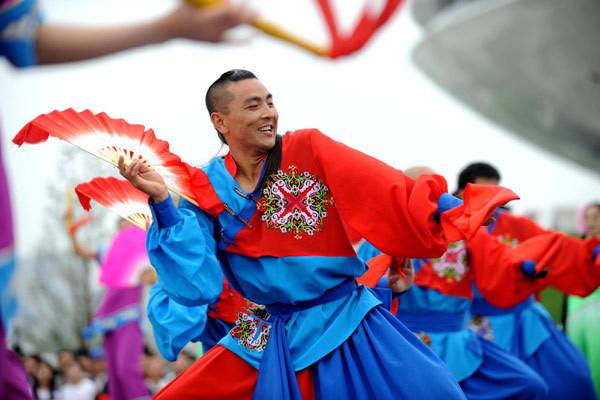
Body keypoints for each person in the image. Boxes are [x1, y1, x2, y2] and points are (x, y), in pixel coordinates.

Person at [119, 69, 519, 399]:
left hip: (346, 316)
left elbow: (382, 185)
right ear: (219, 121)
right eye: (253, 105)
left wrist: (455, 210)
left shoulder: (307, 148)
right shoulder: (203, 191)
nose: (268, 113)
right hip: (269, 333)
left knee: (437, 393)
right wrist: (163, 204)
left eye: (270, 101)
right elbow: (199, 285)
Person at [0, 2, 254, 399]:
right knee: (126, 372)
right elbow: (183, 272)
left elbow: (23, 39)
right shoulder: (165, 225)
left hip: (288, 328)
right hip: (229, 325)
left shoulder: (294, 177)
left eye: (264, 103)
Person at [460, 162, 599, 400]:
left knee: (573, 378)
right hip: (475, 326)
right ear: (464, 193)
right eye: (484, 192)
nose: (492, 201)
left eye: (496, 194)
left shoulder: (516, 225)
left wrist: (591, 254)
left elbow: (554, 246)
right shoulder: (452, 230)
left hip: (525, 321)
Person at [70, 219, 155, 400]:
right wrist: (72, 232)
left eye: (129, 220)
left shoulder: (142, 250)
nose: (125, 224)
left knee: (127, 370)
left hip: (129, 318)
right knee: (114, 374)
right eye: (122, 221)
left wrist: (146, 274)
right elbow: (80, 251)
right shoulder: (108, 252)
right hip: (107, 322)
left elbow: (155, 278)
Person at [567, 202, 600, 397]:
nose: (591, 222)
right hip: (574, 314)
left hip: (597, 318)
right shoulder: (575, 247)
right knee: (577, 364)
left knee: (597, 364)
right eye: (587, 217)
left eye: (596, 217)